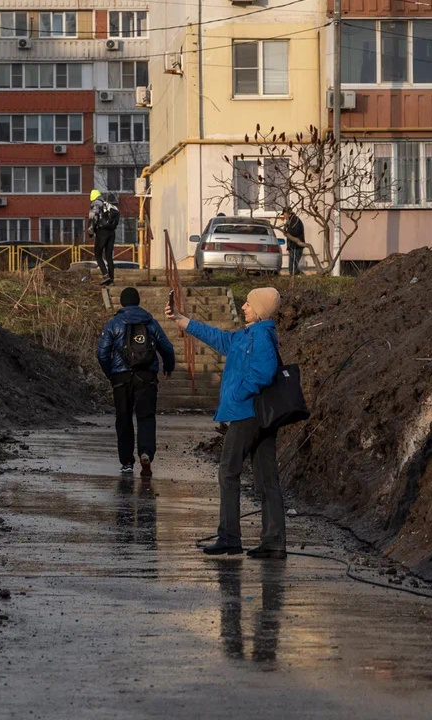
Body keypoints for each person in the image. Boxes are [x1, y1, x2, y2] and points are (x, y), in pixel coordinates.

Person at [165, 288, 285, 559]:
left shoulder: (261, 336)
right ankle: (274, 541)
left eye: (248, 303)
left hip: (248, 414)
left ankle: (230, 538)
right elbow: (218, 338)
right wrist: (181, 319)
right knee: (266, 478)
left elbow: (264, 373)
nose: (243, 307)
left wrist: (238, 392)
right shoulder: (248, 335)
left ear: (260, 309)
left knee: (228, 473)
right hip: (258, 415)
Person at [98, 287, 176, 477]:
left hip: (121, 378)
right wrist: (168, 366)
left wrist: (111, 374)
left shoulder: (113, 324)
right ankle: (146, 452)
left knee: (123, 419)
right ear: (138, 301)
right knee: (146, 418)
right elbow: (166, 347)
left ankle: (126, 462)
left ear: (122, 303)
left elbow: (102, 353)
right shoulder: (151, 323)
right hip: (146, 376)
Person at [87, 190, 119, 286]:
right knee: (109, 256)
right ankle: (112, 279)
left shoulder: (96, 204)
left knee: (98, 254)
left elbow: (93, 218)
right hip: (111, 232)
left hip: (102, 232)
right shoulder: (108, 205)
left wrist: (90, 231)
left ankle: (105, 275)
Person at [280, 208, 306, 276]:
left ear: (288, 213)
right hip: (292, 246)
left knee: (293, 267)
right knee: (292, 266)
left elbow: (295, 232)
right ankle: (295, 278)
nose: (284, 216)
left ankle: (300, 277)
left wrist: (287, 232)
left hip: (296, 246)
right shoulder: (290, 220)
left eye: (284, 214)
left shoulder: (295, 220)